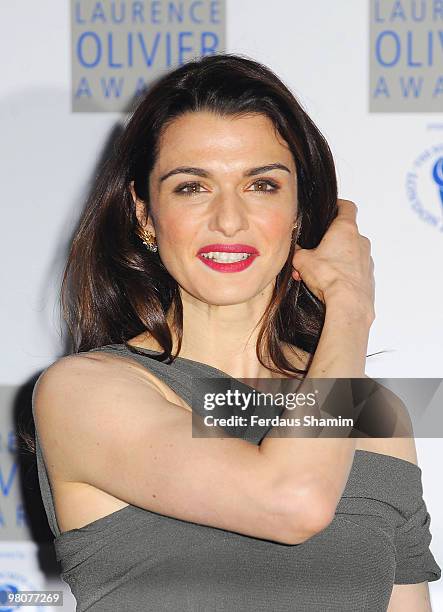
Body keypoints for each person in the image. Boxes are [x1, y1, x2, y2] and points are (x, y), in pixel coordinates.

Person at [30, 53, 440, 611]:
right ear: (145, 214)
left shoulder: (374, 414)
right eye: (191, 187)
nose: (228, 219)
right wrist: (349, 307)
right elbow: (292, 502)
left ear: (299, 208)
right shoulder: (85, 392)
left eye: (262, 185)